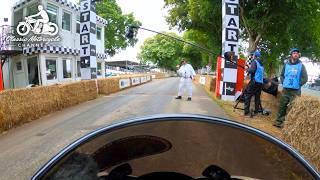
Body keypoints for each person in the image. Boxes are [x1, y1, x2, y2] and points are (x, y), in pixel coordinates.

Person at [273, 48, 308, 128]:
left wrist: (298, 84)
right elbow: (281, 75)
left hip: (295, 91)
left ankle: (288, 125)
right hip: (286, 89)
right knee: (282, 106)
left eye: (297, 53)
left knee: (292, 107)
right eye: (294, 53)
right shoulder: (286, 65)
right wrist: (283, 82)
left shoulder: (301, 66)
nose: (295, 54)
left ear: (299, 55)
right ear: (291, 55)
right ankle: (278, 122)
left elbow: (305, 78)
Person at [244, 51, 264, 116]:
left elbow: (252, 70)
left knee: (248, 95)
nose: (252, 56)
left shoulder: (254, 62)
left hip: (254, 82)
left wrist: (247, 69)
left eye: (253, 55)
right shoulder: (262, 64)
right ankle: (256, 112)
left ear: (255, 56)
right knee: (257, 97)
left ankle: (246, 111)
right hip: (260, 83)